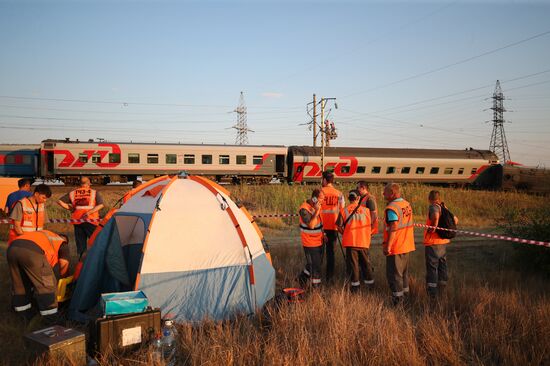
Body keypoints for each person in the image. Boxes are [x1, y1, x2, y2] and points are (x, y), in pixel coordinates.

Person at [7, 230, 69, 324]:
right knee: (47, 285)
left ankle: (23, 316)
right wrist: (63, 280)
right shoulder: (62, 243)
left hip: (12, 248)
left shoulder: (45, 235)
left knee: (20, 285)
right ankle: (51, 319)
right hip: (31, 251)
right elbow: (64, 264)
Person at [382, 183, 415, 305]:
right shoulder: (406, 204)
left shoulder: (392, 208)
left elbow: (394, 226)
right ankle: (406, 298)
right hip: (407, 244)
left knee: (394, 276)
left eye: (385, 192)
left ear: (392, 193)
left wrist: (388, 246)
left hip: (396, 247)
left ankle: (398, 302)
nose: (383, 194)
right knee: (404, 275)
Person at [337, 190, 374, 292]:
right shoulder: (366, 211)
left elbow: (339, 227)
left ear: (349, 198)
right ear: (358, 198)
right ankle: (370, 287)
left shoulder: (344, 211)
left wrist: (346, 233)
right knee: (366, 265)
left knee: (354, 266)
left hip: (351, 242)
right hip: (363, 242)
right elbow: (371, 224)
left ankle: (355, 288)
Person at [57, 177, 104, 256]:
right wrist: (90, 212)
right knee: (96, 243)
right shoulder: (94, 192)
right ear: (89, 183)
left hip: (77, 221)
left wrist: (71, 208)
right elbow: (101, 205)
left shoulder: (73, 193)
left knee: (81, 246)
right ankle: (96, 261)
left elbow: (59, 201)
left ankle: (81, 264)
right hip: (91, 221)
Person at [423, 190, 459, 297]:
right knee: (442, 266)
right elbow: (456, 220)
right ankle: (442, 290)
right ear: (439, 198)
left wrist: (433, 228)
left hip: (433, 243)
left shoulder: (433, 207)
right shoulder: (444, 207)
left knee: (432, 267)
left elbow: (435, 217)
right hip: (443, 242)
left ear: (430, 198)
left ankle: (432, 293)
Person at [297, 189, 325, 288]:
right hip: (310, 243)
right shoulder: (304, 209)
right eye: (321, 199)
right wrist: (317, 210)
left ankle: (302, 279)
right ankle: (316, 289)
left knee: (313, 264)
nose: (323, 201)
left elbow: (319, 223)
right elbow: (311, 225)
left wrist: (324, 235)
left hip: (319, 241)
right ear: (314, 198)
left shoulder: (317, 207)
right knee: (316, 267)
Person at [320, 171, 345, 282]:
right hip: (334, 227)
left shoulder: (320, 192)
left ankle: (316, 276)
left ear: (325, 180)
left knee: (319, 253)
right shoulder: (339, 194)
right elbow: (342, 210)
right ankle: (329, 278)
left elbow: (314, 206)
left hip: (320, 227)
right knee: (331, 254)